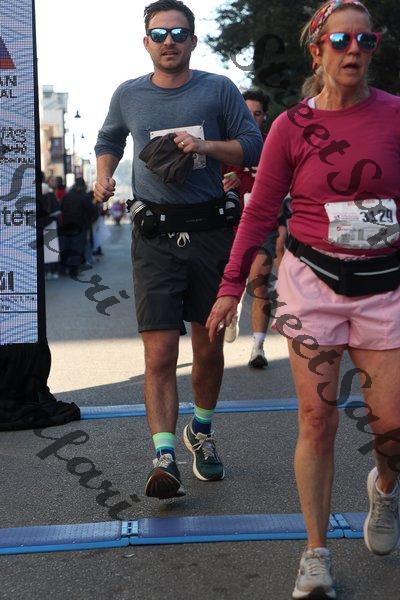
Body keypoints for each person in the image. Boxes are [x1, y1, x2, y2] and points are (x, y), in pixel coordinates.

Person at [207, 1, 400, 597]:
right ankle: (316, 553)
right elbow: (260, 211)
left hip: (384, 286)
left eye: (365, 41)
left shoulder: (394, 115)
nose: (354, 50)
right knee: (317, 419)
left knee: (392, 426)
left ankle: (384, 490)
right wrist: (230, 287)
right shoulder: (291, 126)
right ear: (317, 50)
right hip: (312, 285)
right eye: (341, 40)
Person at [94, 0, 263, 500]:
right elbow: (108, 138)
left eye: (178, 32)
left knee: (209, 348)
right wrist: (104, 175)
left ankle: (201, 431)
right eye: (159, 33)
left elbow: (253, 145)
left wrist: (205, 146)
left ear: (192, 39)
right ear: (146, 41)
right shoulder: (129, 94)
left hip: (210, 232)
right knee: (161, 352)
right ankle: (164, 456)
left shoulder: (218, 88)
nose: (169, 41)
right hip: (155, 238)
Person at [222, 89, 278, 368]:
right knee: (232, 281)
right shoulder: (226, 146)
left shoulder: (273, 144)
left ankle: (258, 347)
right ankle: (233, 307)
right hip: (229, 225)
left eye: (257, 114)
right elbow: (207, 185)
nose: (252, 118)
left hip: (263, 225)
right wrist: (224, 184)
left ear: (264, 116)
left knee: (259, 281)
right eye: (247, 113)